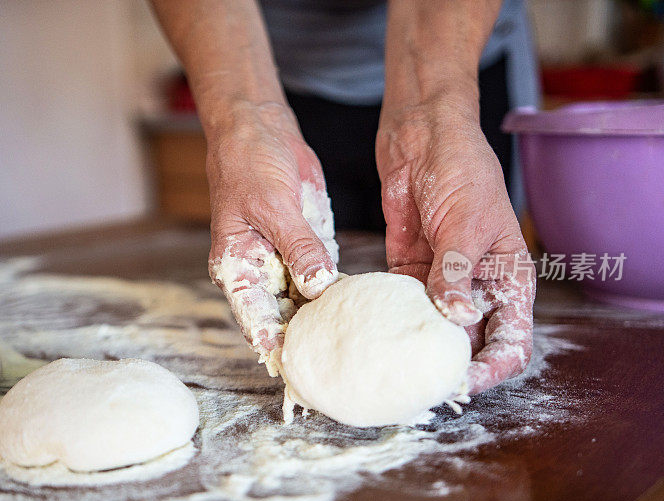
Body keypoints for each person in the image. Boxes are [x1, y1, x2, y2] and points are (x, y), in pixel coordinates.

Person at [151, 0, 537, 395]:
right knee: (301, 286)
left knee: (455, 265)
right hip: (273, 65)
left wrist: (436, 113)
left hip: (457, 51)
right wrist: (248, 120)